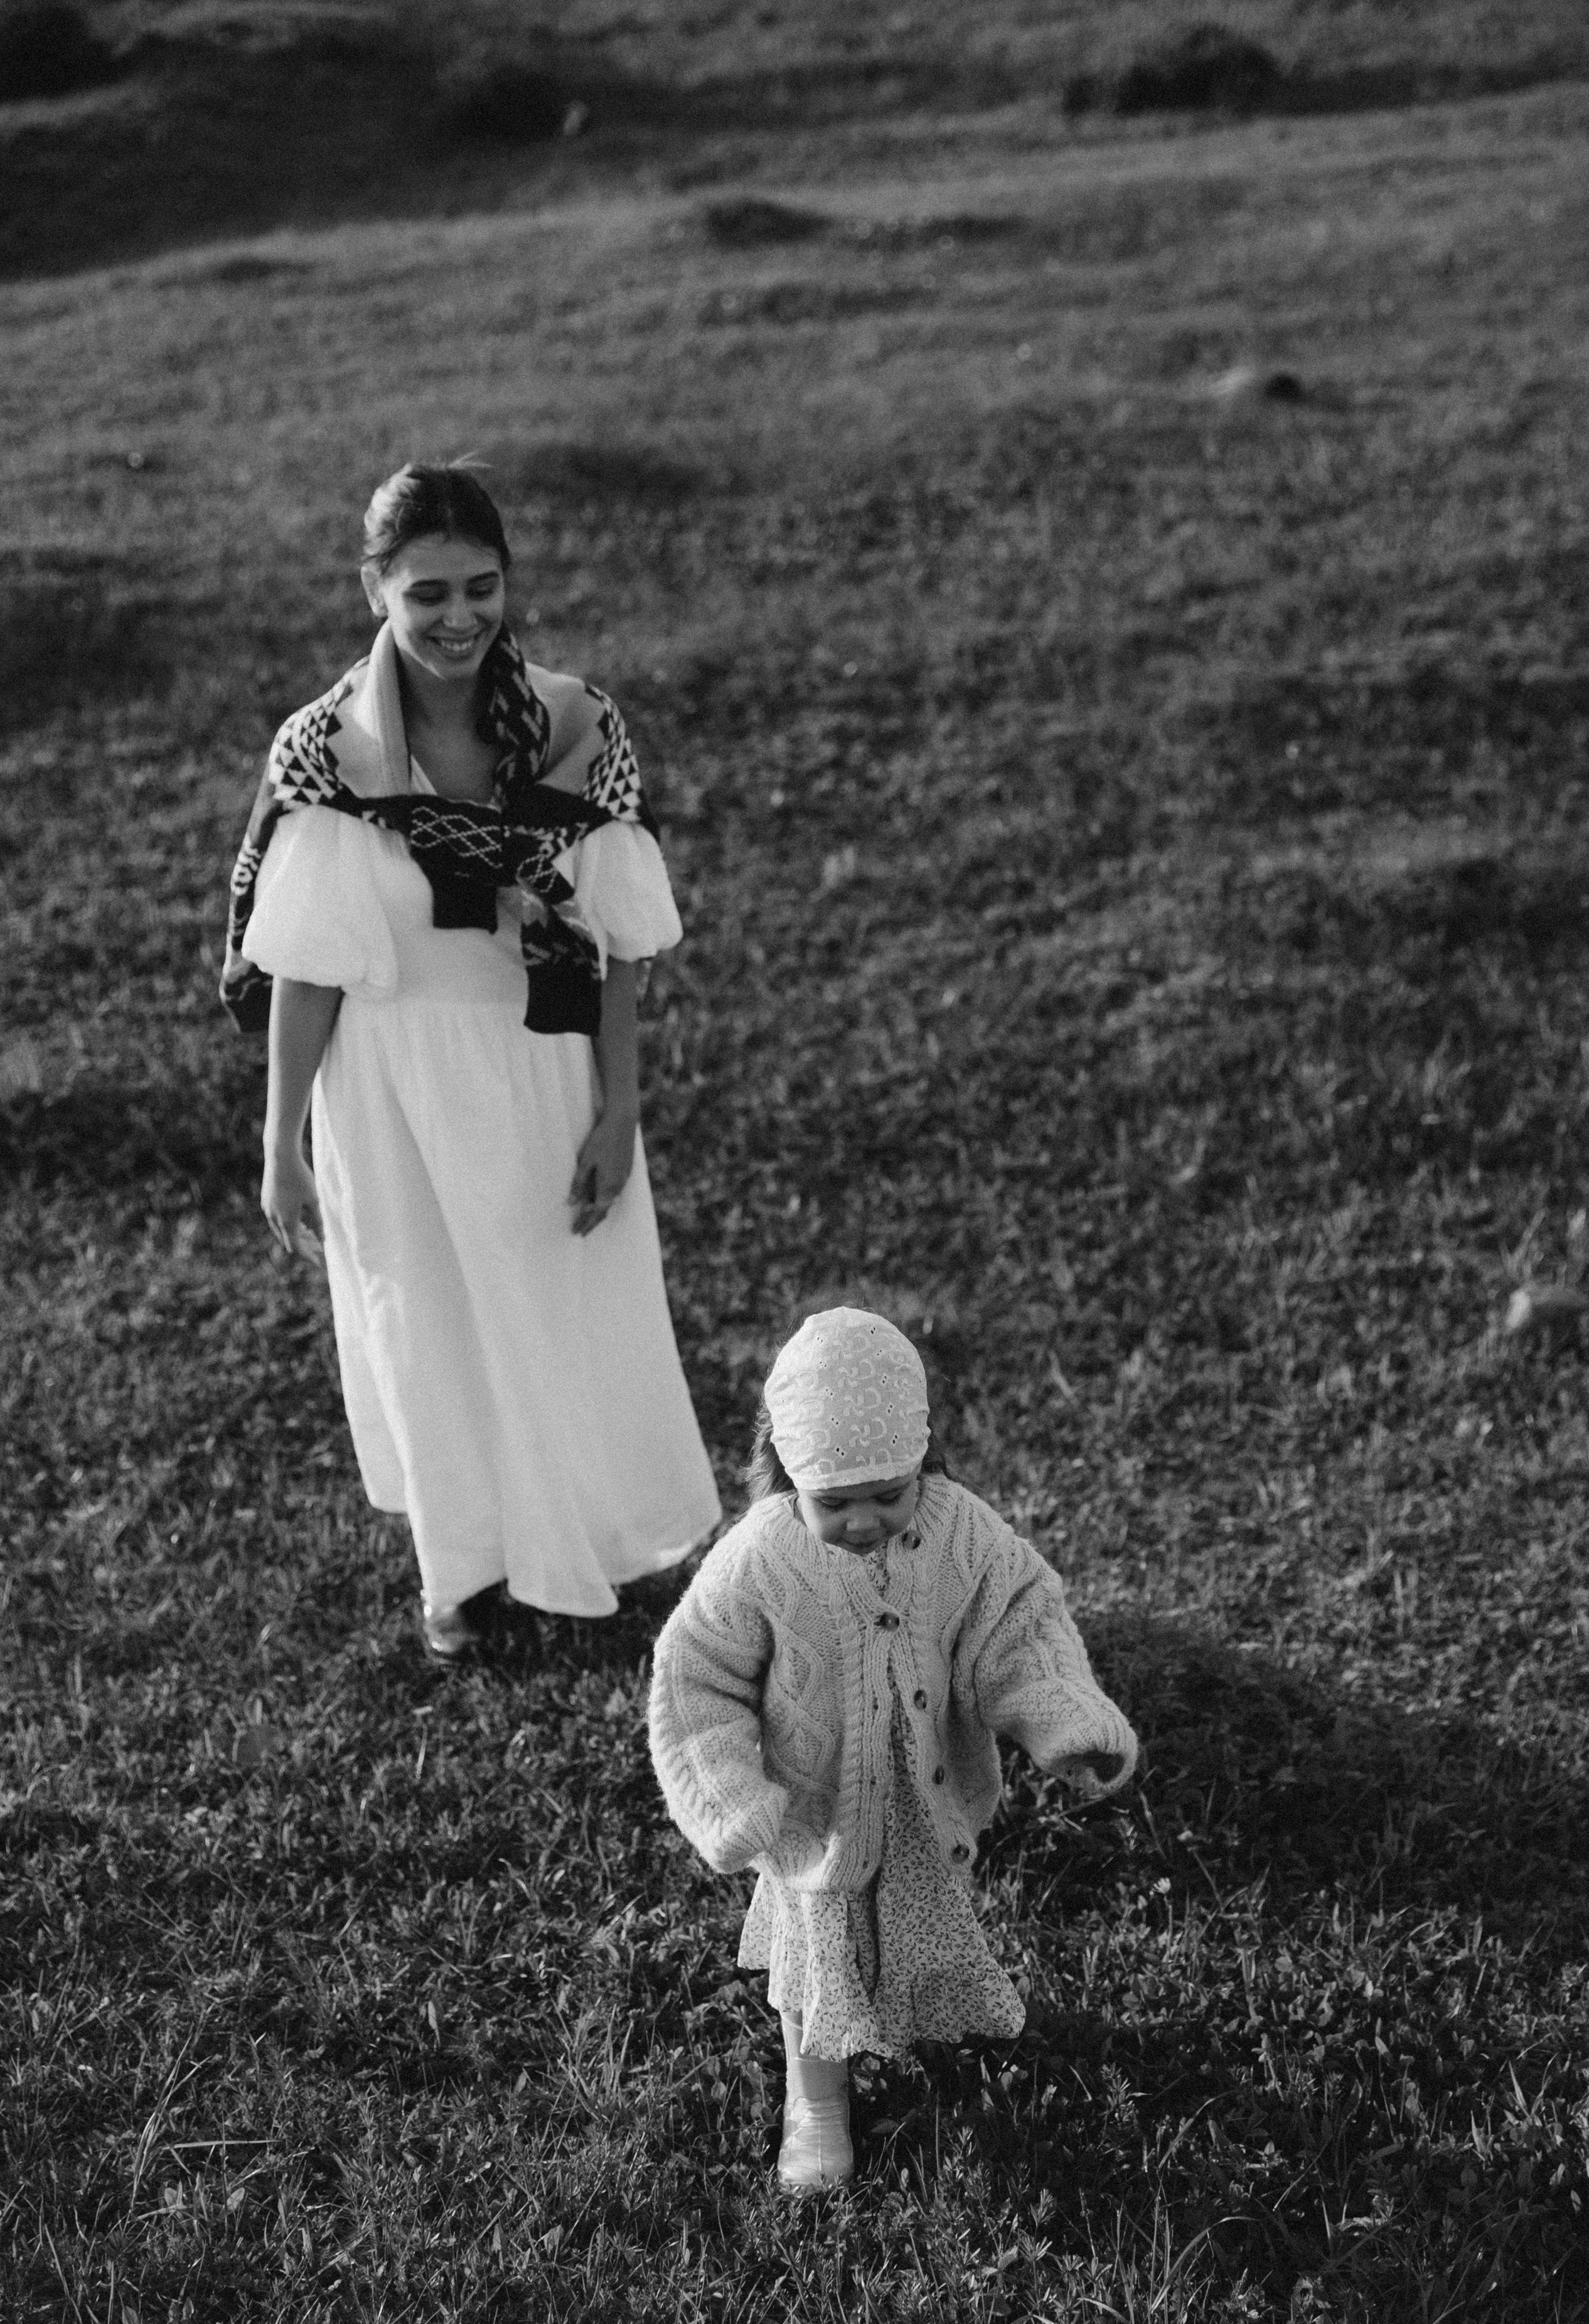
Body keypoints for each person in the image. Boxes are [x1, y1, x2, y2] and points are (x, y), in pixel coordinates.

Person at [221, 461, 720, 1655]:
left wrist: (620, 1110)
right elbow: (306, 964)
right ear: (375, 592)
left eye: (481, 588)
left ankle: (575, 1559)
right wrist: (281, 1140)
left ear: (509, 584)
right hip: (388, 1084)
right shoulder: (329, 750)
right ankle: (459, 1573)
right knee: (423, 1322)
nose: (457, 619)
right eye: (427, 593)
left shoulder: (575, 726)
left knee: (554, 1311)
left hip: (540, 1063)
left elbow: (619, 945)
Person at [648, 1306, 1138, 2194]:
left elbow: (1019, 1623)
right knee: (816, 1961)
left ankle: (905, 2025)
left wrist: (1063, 1723)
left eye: (889, 1493)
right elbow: (697, 1676)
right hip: (812, 1815)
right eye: (835, 1503)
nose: (866, 1521)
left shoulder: (961, 1533)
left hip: (922, 1799)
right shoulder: (758, 1558)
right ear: (786, 1471)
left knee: (913, 1923)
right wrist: (728, 1796)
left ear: (924, 1460)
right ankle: (817, 2103)